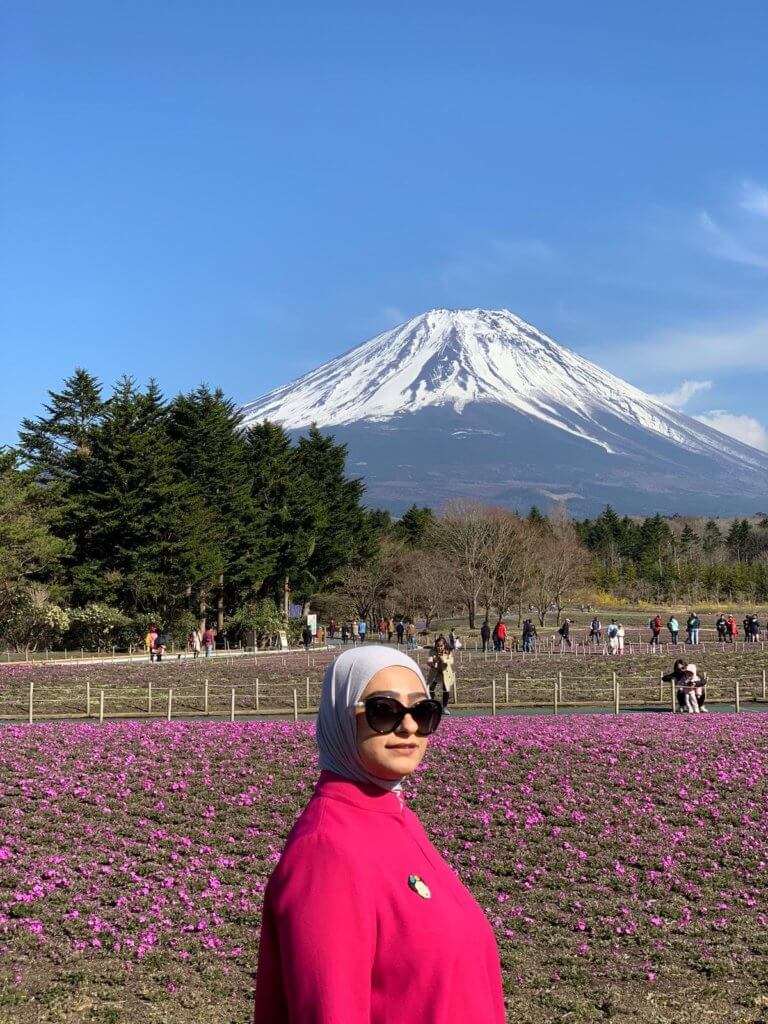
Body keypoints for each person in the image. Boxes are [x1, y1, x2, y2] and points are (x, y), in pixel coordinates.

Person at [252, 647, 506, 1023]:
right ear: (342, 717)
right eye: (383, 711)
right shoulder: (327, 849)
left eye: (422, 711)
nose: (408, 727)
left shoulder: (394, 814)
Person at [426, 636, 455, 714]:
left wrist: (444, 660)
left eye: (441, 646)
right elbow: (429, 661)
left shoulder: (448, 651)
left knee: (446, 689)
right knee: (430, 688)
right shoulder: (432, 651)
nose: (439, 647)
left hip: (445, 673)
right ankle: (432, 705)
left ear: (444, 645)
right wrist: (434, 661)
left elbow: (451, 661)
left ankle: (444, 707)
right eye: (438, 646)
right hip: (435, 672)